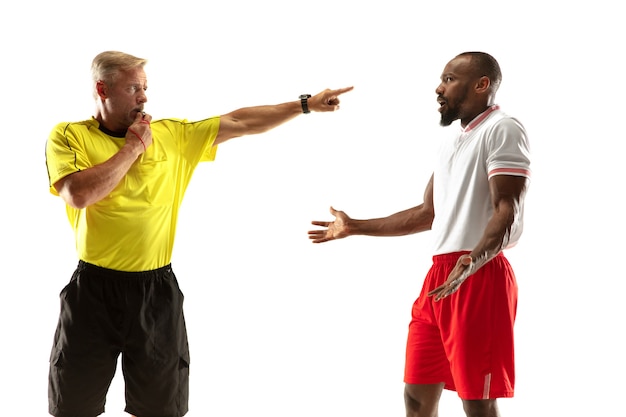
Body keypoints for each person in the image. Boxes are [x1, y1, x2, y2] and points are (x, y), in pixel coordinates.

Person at [45, 50, 353, 417]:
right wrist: (132, 148)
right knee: (73, 406)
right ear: (102, 89)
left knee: (161, 408)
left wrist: (304, 105)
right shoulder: (69, 136)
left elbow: (239, 120)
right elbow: (79, 194)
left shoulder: (171, 134)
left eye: (145, 88)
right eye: (133, 88)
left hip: (156, 292)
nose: (143, 97)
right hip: (93, 290)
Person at [308, 51, 531, 417]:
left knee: (477, 402)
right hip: (439, 279)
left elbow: (508, 209)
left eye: (449, 79)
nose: (438, 88)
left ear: (481, 84)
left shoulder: (502, 129)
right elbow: (427, 213)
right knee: (416, 395)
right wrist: (355, 227)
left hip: (478, 274)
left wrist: (473, 260)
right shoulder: (450, 142)